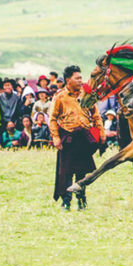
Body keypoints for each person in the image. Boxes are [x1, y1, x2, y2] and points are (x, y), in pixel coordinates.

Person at [50, 65, 107, 211]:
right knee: (67, 172)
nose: (81, 81)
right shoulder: (60, 96)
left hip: (84, 137)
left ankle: (82, 201)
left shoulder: (86, 95)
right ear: (68, 80)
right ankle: (66, 202)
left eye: (81, 78)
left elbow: (96, 115)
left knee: (82, 172)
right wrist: (55, 137)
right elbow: (52, 118)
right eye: (77, 78)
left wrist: (101, 132)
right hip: (67, 137)